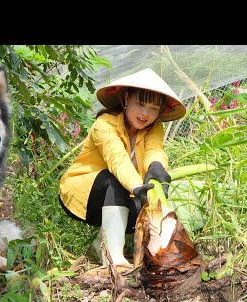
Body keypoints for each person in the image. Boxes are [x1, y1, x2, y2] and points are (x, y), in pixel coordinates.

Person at [58, 68, 186, 270]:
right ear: (126, 98)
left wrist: (157, 167)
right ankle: (113, 256)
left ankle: (100, 244)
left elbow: (155, 150)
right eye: (140, 104)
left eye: (153, 108)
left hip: (125, 193)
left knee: (147, 210)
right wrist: (137, 186)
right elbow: (117, 160)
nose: (145, 114)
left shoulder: (155, 127)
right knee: (113, 180)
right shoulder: (104, 124)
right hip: (84, 192)